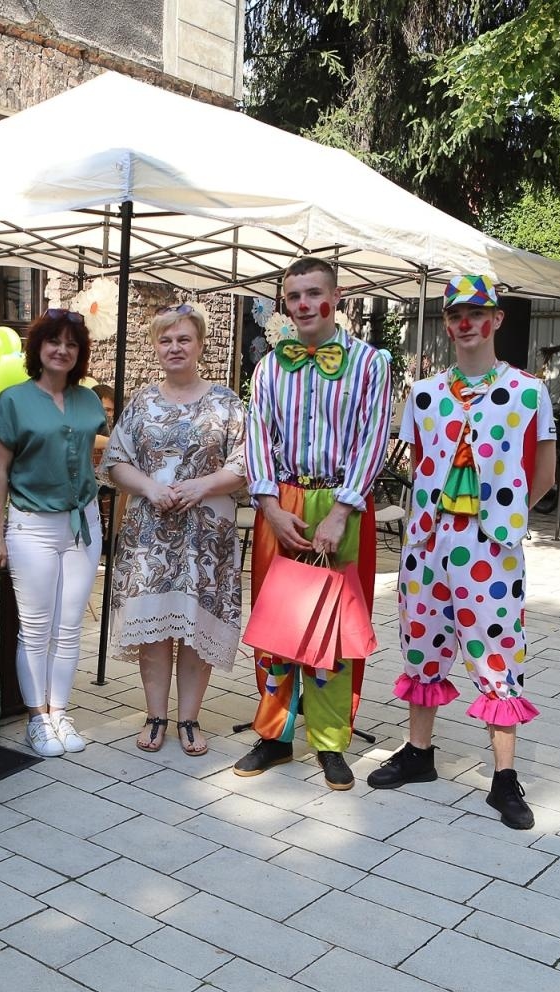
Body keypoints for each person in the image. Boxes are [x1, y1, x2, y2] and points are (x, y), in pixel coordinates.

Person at [368, 274, 556, 830]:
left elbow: (542, 472)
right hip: (428, 539)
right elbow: (420, 460)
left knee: (496, 649)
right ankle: (419, 753)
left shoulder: (528, 391)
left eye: (477, 313)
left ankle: (503, 779)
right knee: (422, 640)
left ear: (497, 319)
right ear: (447, 324)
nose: (466, 323)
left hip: (490, 543)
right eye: (455, 315)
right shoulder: (425, 394)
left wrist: (505, 518)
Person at [235, 257, 392, 790]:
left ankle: (330, 740)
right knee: (276, 621)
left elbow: (373, 439)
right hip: (280, 502)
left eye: (312, 293)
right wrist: (271, 506)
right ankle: (276, 736)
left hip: (341, 502)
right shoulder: (268, 367)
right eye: (294, 295)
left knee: (335, 626)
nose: (302, 304)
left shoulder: (371, 363)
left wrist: (343, 511)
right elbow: (256, 436)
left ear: (336, 296)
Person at [101, 304, 246, 756]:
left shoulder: (227, 403)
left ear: (200, 344)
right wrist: (148, 486)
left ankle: (188, 718)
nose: (175, 347)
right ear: (156, 347)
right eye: (166, 340)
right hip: (150, 536)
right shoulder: (141, 402)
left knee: (196, 625)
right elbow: (115, 462)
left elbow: (246, 465)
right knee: (155, 626)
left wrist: (202, 485)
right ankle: (155, 715)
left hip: (208, 538)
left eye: (184, 339)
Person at [0, 308, 107, 757]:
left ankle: (60, 712)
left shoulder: (89, 401)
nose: (62, 350)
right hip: (30, 525)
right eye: (54, 341)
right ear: (37, 348)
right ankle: (37, 719)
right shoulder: (14, 400)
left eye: (72, 344)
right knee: (35, 629)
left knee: (70, 625)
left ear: (80, 353)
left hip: (83, 523)